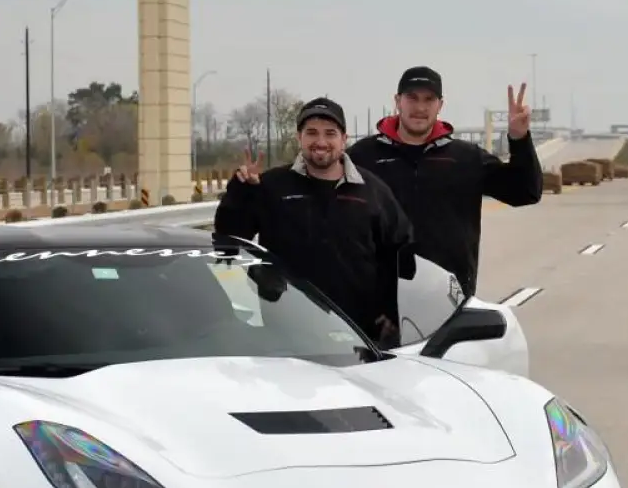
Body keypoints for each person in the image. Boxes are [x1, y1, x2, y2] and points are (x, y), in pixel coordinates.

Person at [214, 97, 416, 343]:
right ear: (299, 138)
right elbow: (229, 238)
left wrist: (392, 313)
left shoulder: (373, 190)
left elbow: (401, 254)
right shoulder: (271, 186)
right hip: (287, 331)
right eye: (312, 133)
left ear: (344, 139)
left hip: (359, 334)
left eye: (330, 134)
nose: (321, 142)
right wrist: (240, 190)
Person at [344, 66, 540, 298]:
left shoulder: (466, 158)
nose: (420, 107)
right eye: (412, 98)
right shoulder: (362, 157)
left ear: (440, 105)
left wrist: (519, 140)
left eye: (429, 99)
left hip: (448, 299)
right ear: (398, 101)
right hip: (376, 303)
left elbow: (525, 192)